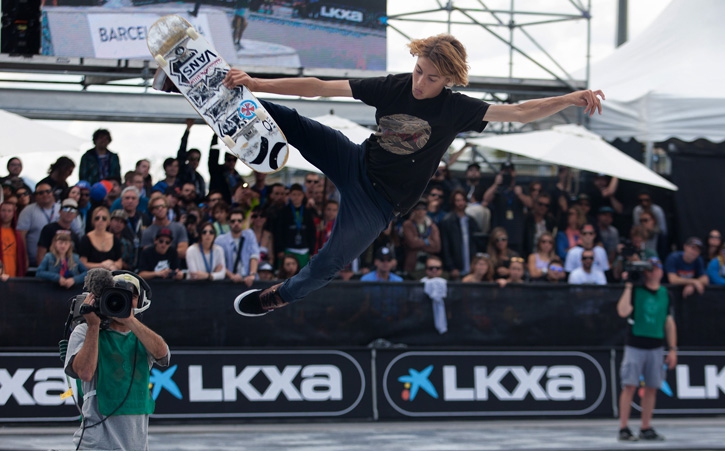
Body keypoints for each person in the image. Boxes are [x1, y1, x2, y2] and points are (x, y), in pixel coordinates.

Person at [226, 32, 604, 315]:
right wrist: (257, 84)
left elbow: (520, 112)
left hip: (377, 206)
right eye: (419, 71)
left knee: (328, 264)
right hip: (356, 161)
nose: (420, 84)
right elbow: (322, 88)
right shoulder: (394, 86)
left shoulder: (458, 109)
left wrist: (569, 99)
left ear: (449, 81)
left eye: (432, 79)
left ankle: (277, 297)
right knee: (294, 121)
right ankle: (228, 96)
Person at [66, 270, 170, 451]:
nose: (124, 300)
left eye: (132, 296)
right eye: (117, 294)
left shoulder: (141, 335)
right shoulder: (85, 331)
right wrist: (93, 325)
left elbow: (163, 356)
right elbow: (85, 372)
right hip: (94, 447)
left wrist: (129, 320)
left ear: (141, 302)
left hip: (137, 448)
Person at [616, 257, 677, 442]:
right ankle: (624, 427)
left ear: (661, 271)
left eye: (655, 268)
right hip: (635, 343)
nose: (652, 272)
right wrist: (628, 285)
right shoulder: (636, 291)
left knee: (652, 388)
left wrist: (673, 348)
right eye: (649, 269)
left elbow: (669, 322)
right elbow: (623, 311)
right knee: (629, 386)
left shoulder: (666, 294)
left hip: (656, 346)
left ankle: (645, 426)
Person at [17, 182, 61, 268]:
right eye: (41, 193)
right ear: (35, 196)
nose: (45, 194)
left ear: (52, 193)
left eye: (48, 191)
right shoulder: (28, 211)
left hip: (60, 261)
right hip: (34, 262)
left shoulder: (62, 209)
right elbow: (21, 236)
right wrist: (24, 258)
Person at [439, 188, 480, 280]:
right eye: (457, 200)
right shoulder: (447, 221)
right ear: (453, 202)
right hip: (455, 267)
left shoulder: (471, 221)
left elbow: (477, 243)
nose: (460, 203)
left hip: (471, 266)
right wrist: (451, 267)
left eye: (462, 200)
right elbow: (445, 246)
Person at [140, 190, 189, 259]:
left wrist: (161, 251)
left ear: (167, 208)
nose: (160, 209)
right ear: (152, 211)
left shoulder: (179, 227)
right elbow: (147, 255)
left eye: (163, 206)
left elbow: (183, 252)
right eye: (156, 207)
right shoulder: (147, 232)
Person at [217, 208, 260, 286]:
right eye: (233, 221)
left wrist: (252, 275)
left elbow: (254, 256)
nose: (236, 223)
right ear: (229, 222)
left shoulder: (249, 235)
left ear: (243, 222)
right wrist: (232, 276)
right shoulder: (220, 240)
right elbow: (219, 263)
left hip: (249, 280)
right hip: (228, 282)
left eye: (239, 221)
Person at [402, 200, 441, 277]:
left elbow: (437, 247)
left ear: (426, 210)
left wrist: (418, 242)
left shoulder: (432, 226)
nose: (420, 211)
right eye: (418, 208)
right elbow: (412, 244)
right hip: (412, 264)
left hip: (429, 265)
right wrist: (427, 241)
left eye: (423, 208)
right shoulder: (408, 224)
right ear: (413, 210)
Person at [37, 199, 83, 265]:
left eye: (73, 210)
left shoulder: (75, 235)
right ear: (59, 212)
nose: (69, 212)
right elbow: (40, 254)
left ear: (76, 215)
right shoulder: (48, 229)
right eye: (66, 209)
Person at [79, 206, 124, 271]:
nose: (100, 220)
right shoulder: (86, 239)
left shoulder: (114, 239)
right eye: (97, 218)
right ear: (93, 220)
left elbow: (119, 262)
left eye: (104, 218)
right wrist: (101, 265)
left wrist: (111, 264)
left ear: (108, 221)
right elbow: (83, 263)